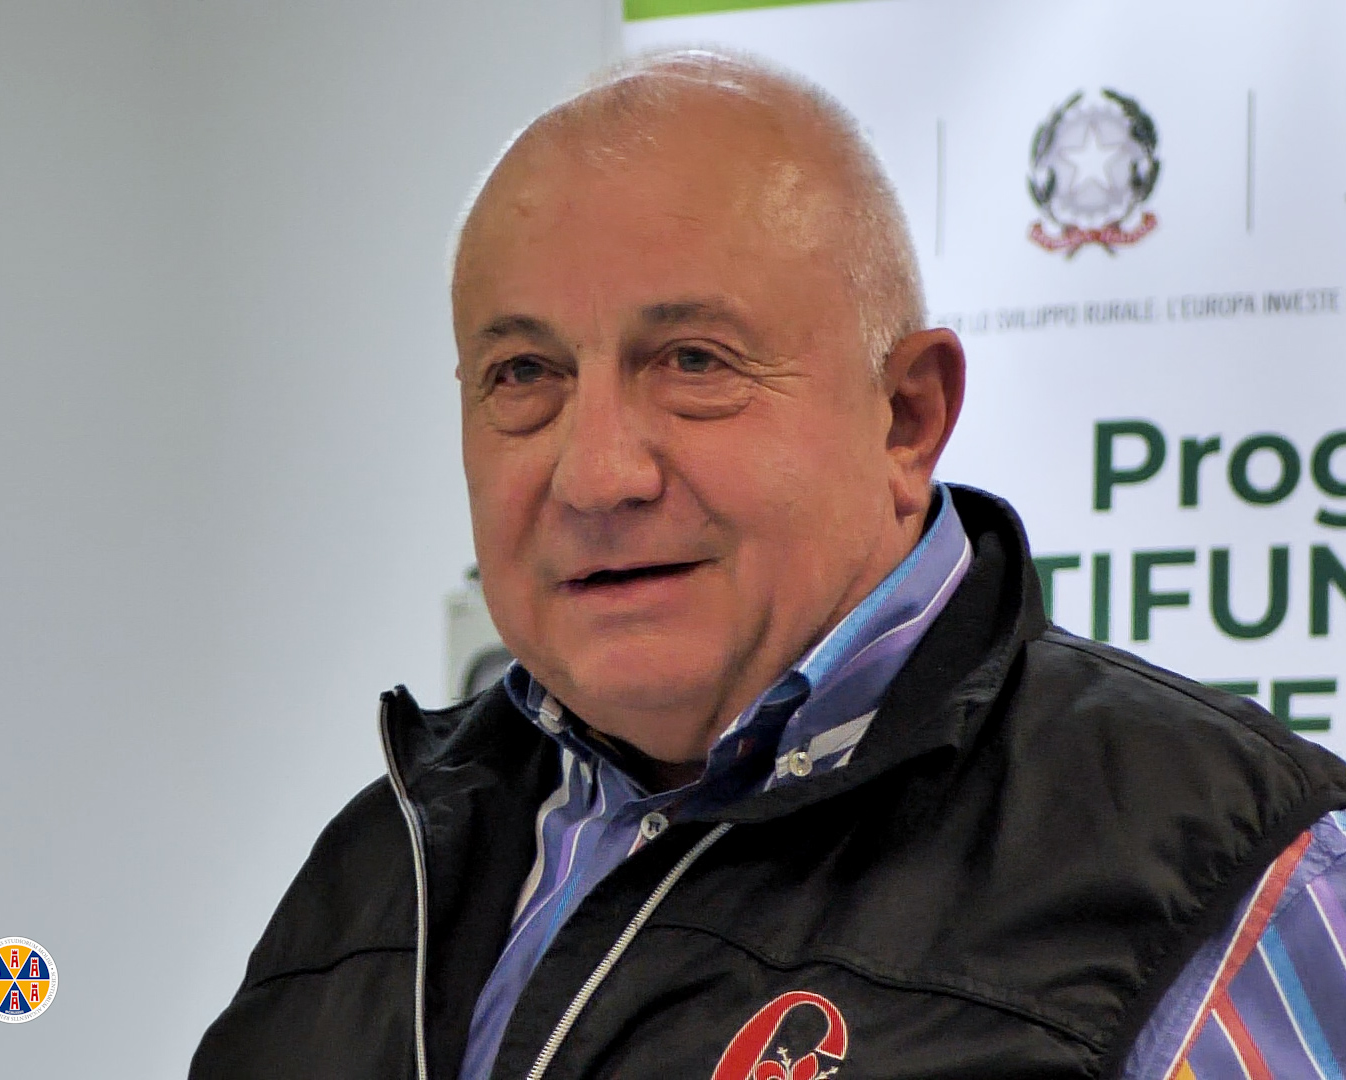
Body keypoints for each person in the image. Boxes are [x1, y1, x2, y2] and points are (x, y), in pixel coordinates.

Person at [191, 51, 1346, 1080]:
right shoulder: (379, 865)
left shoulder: (1239, 886)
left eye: (694, 362)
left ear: (907, 418)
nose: (596, 475)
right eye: (524, 376)